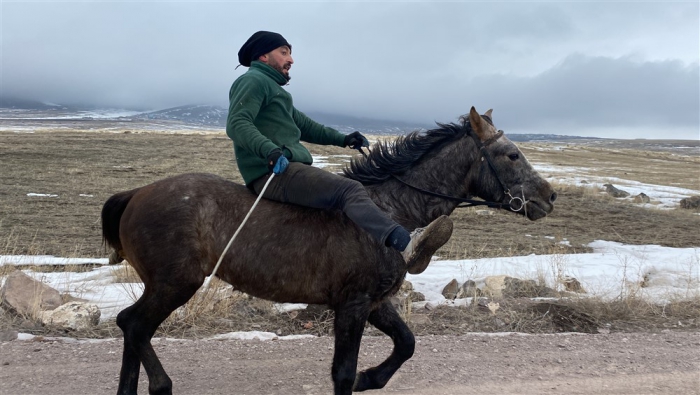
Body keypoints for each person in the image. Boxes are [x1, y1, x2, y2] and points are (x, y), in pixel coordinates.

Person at [226, 31, 451, 274]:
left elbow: (308, 127)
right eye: (284, 52)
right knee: (349, 189)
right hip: (272, 172)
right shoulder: (253, 81)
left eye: (290, 53)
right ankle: (406, 245)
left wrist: (344, 139)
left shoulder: (276, 91)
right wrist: (269, 151)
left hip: (287, 169)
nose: (291, 59)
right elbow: (237, 123)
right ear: (263, 56)